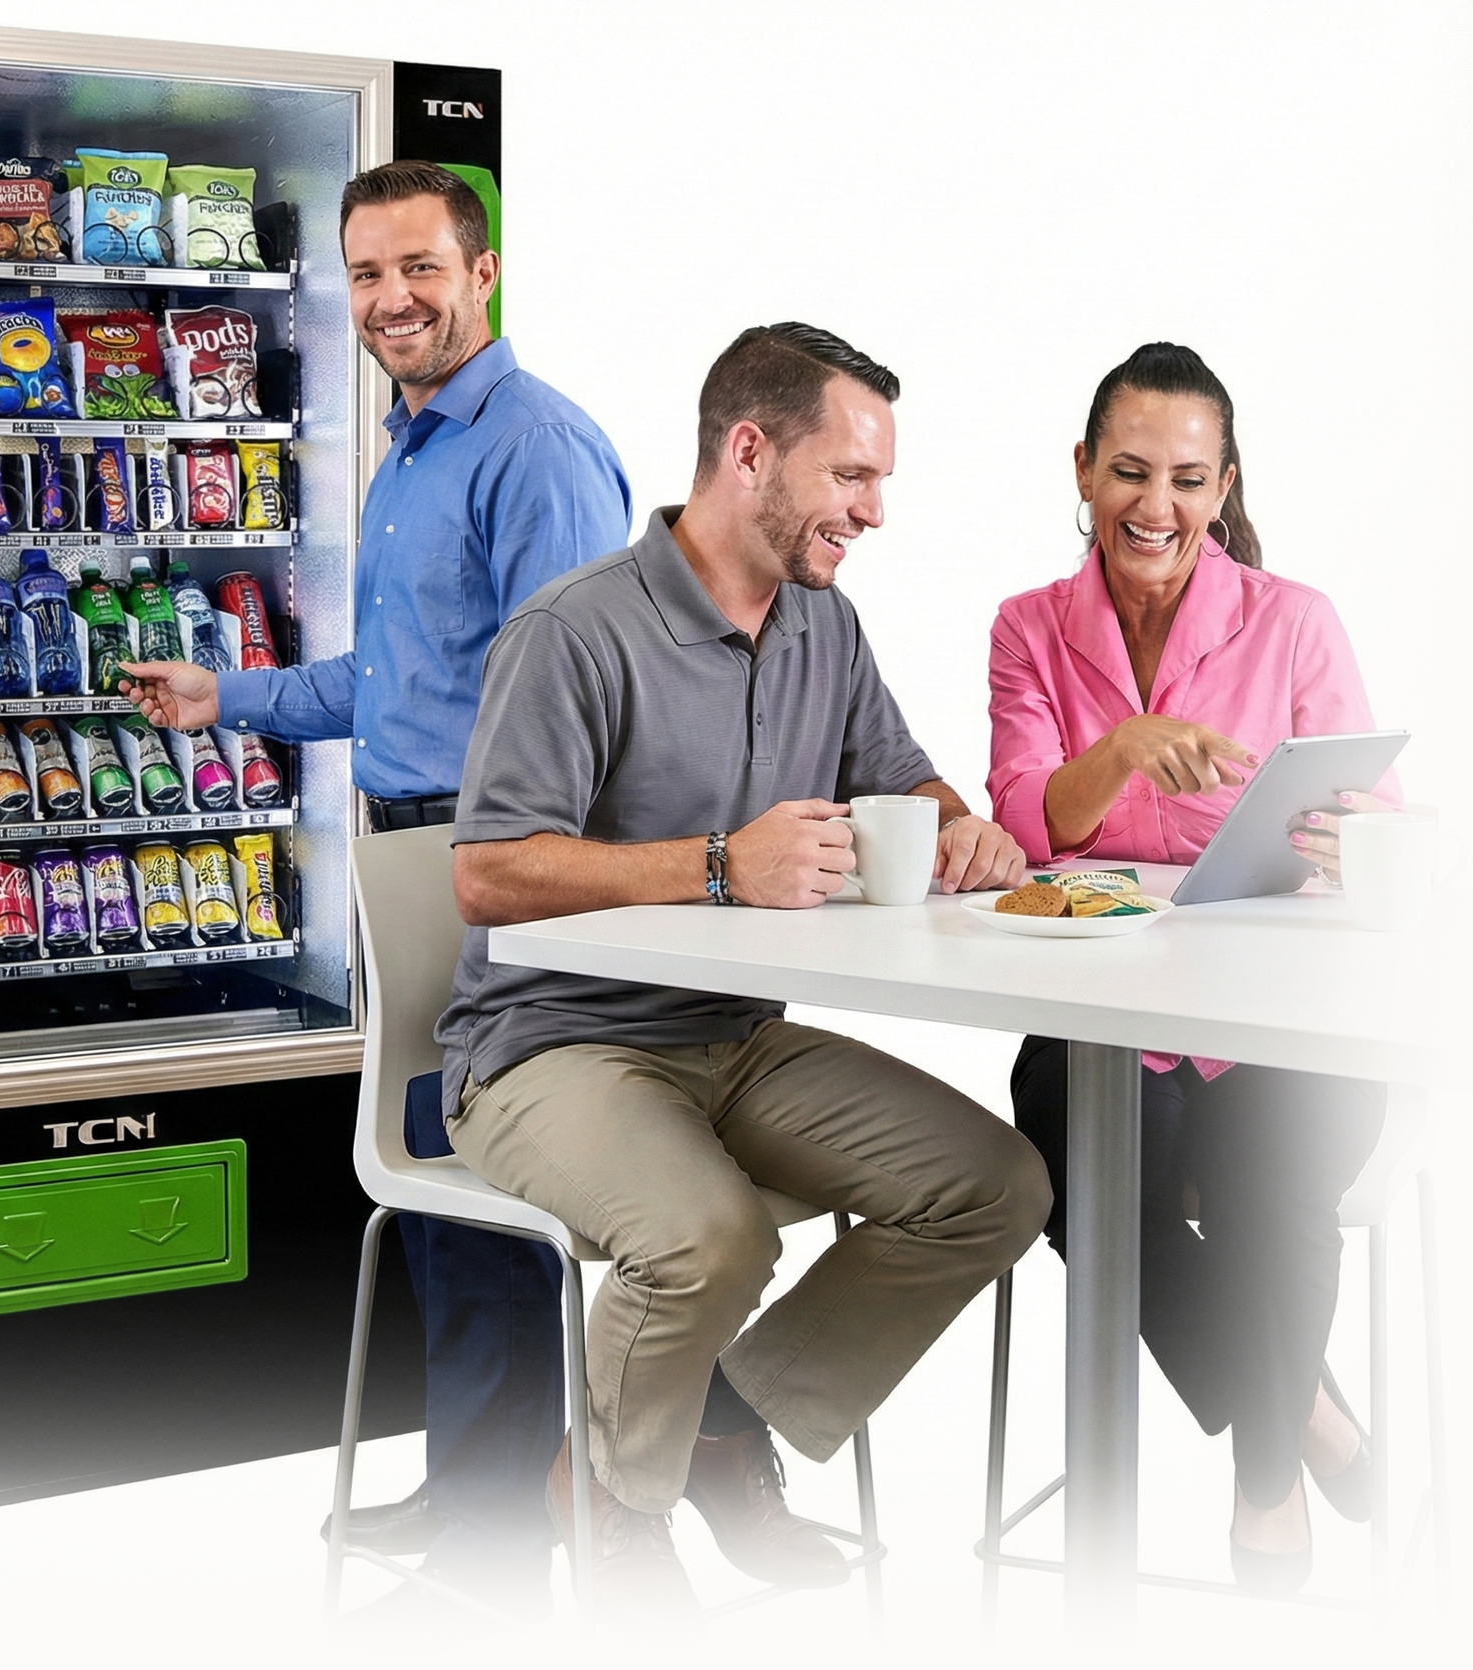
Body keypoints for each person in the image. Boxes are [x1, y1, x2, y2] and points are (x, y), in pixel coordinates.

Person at [433, 322, 1052, 1620]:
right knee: (705, 1236)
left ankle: (714, 1428)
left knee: (994, 1184)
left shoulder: (825, 624)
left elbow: (901, 775)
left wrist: (954, 821)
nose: (875, 511)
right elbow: (489, 874)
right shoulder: (577, 630)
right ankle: (614, 1497)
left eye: (880, 482)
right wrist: (720, 864)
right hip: (549, 1048)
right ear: (749, 450)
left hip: (735, 1041)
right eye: (853, 477)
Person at [121, 159, 635, 1609]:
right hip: (410, 858)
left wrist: (532, 879)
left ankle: (503, 1539)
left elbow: (592, 697)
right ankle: (480, 1478)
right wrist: (228, 696)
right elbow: (385, 678)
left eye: (418, 268)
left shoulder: (535, 448)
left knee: (489, 1174)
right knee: (440, 1184)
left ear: (482, 274)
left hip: (503, 866)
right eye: (363, 273)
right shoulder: (410, 450)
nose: (390, 299)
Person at [988, 341, 1393, 1593]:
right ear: (1082, 470)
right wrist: (1125, 750)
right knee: (1067, 1148)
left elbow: (1383, 807)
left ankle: (1266, 1483)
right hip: (1108, 1019)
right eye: (1127, 472)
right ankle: (1301, 1411)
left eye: (1184, 478)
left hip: (1280, 1012)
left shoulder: (1296, 622)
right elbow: (1019, 818)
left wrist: (1355, 835)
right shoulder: (1029, 628)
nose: (1152, 506)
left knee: (1284, 1172)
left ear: (1223, 488)